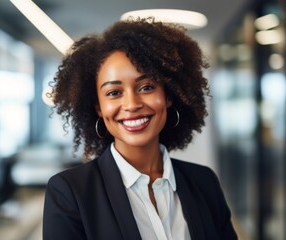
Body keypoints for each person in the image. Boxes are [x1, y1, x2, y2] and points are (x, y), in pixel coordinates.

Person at [43, 17, 238, 240]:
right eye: (114, 93)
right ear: (98, 107)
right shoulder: (70, 192)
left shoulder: (204, 182)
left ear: (168, 96)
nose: (132, 104)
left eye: (146, 87)